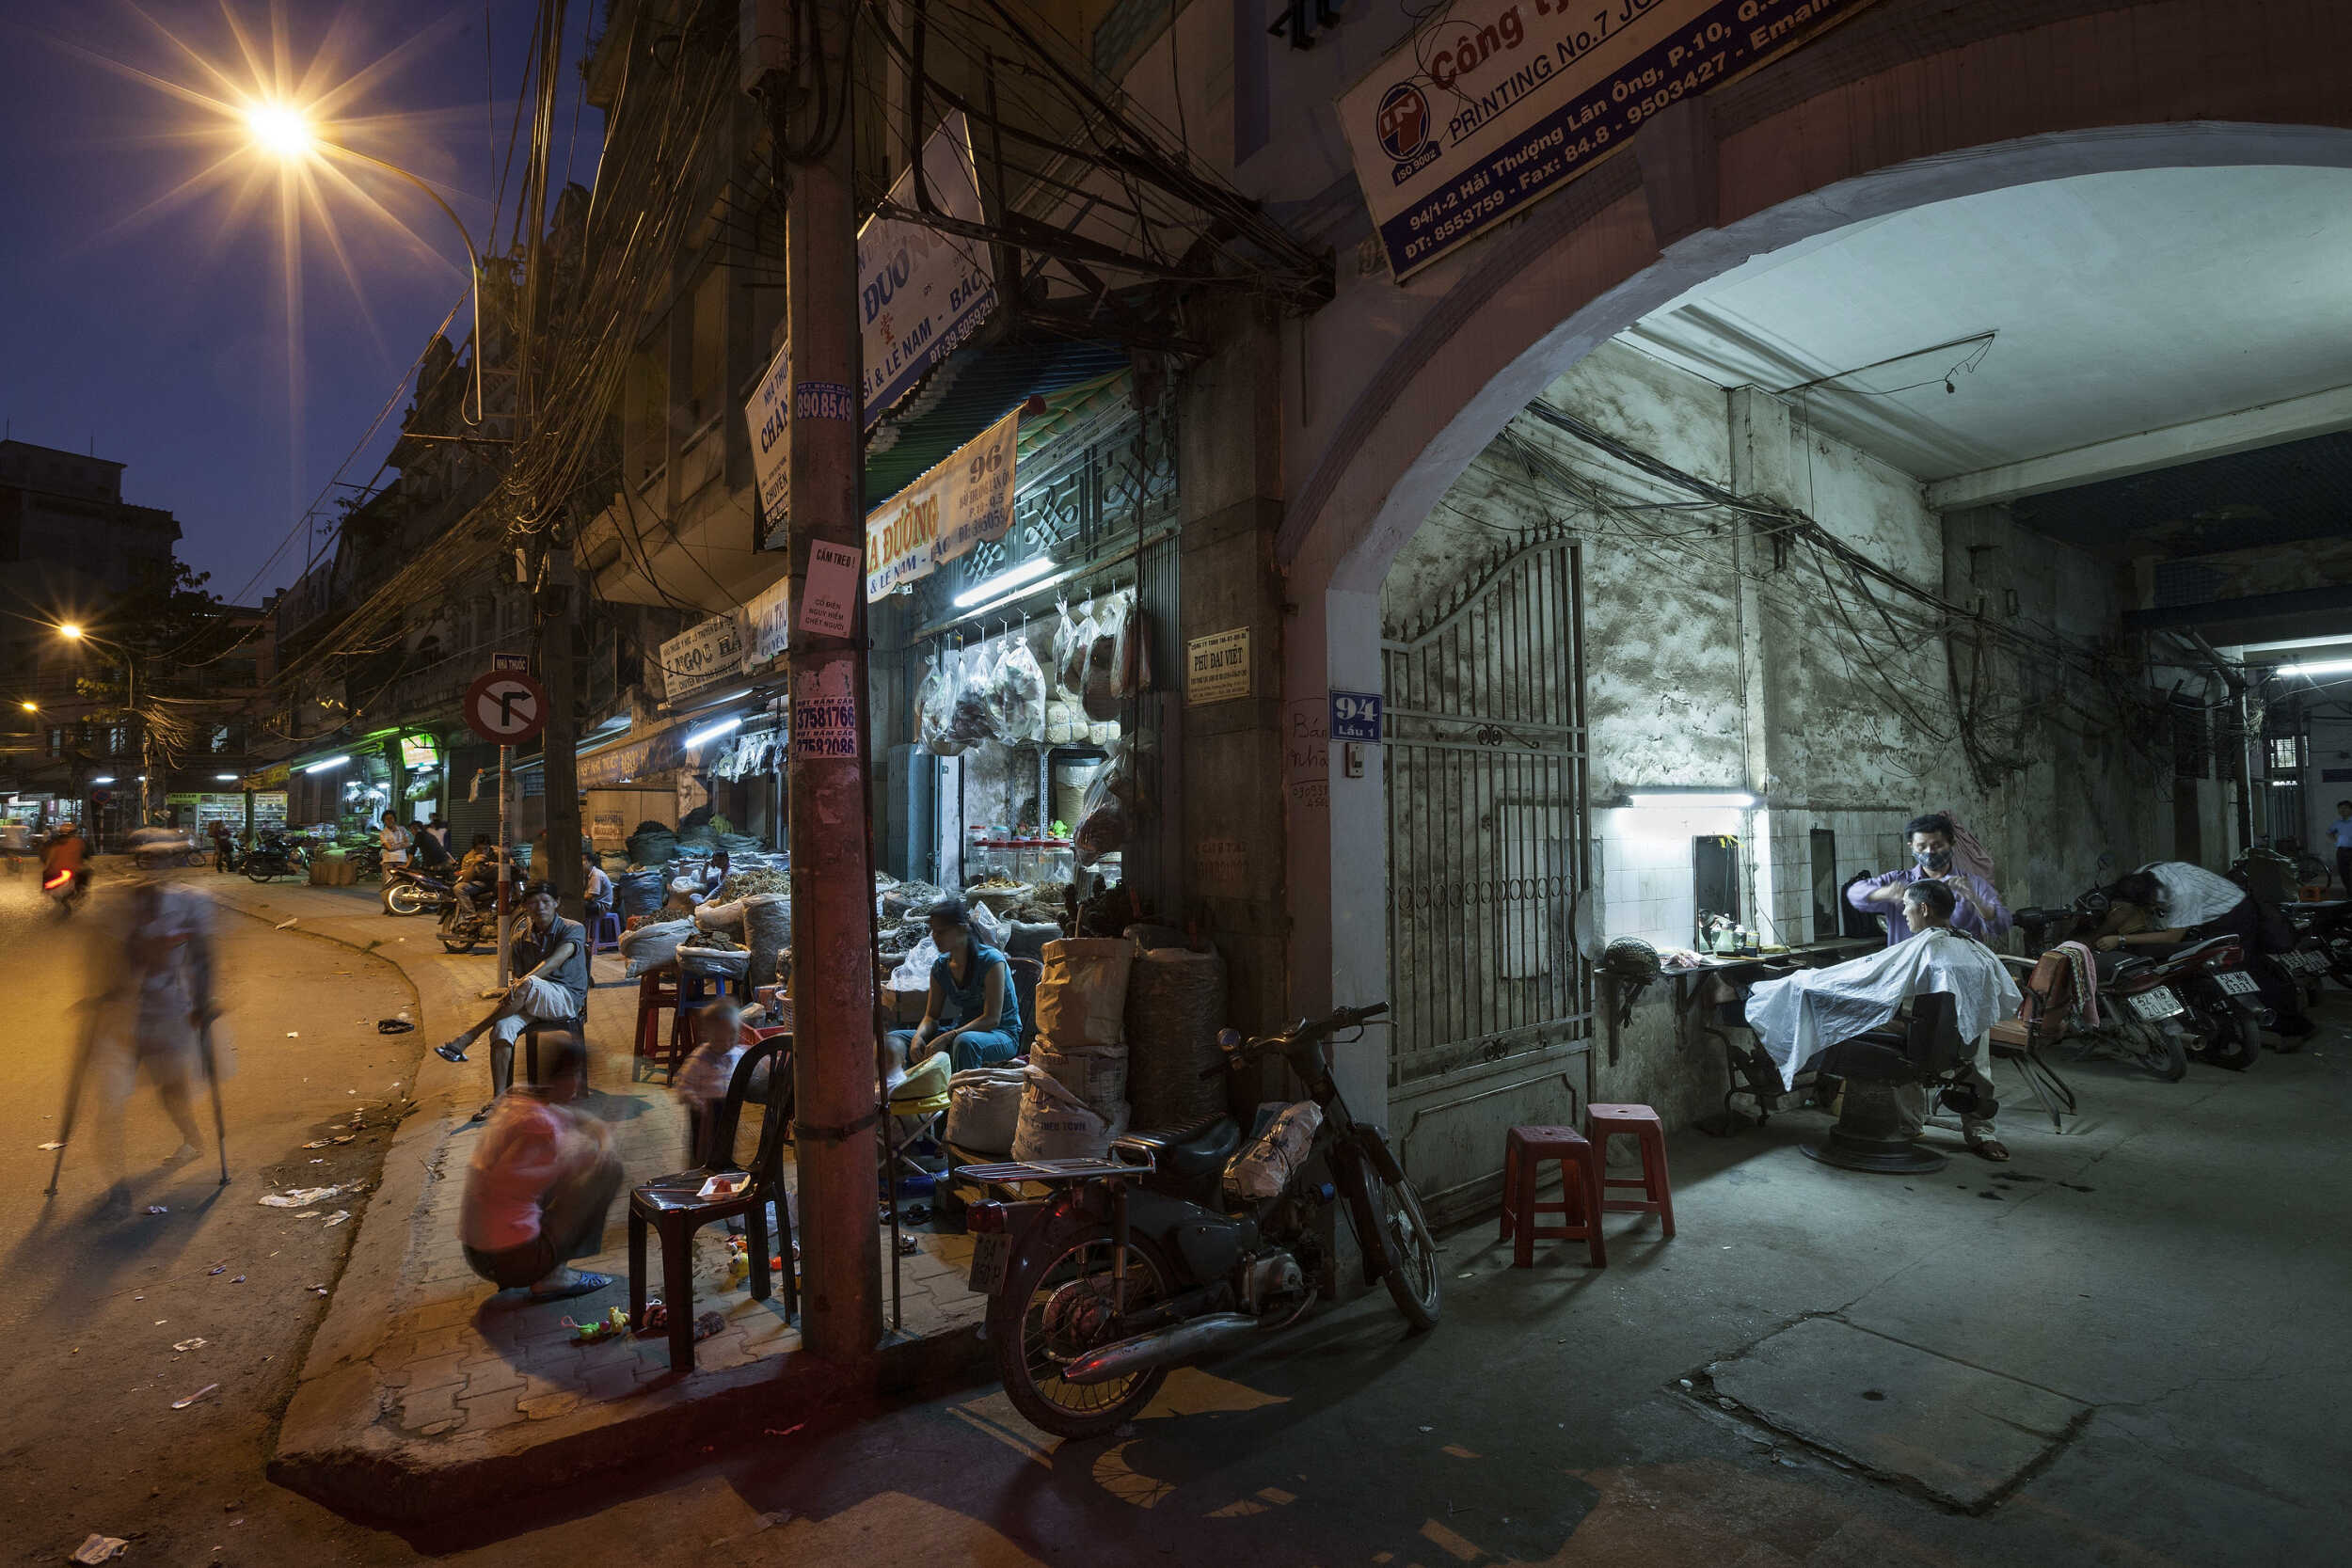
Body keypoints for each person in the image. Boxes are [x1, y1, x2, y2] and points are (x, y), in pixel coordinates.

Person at [1744, 879, 2021, 1161]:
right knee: (1936, 1032)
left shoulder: (1928, 950)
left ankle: (1771, 1068)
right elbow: (1996, 998)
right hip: (1957, 1036)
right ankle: (1947, 1129)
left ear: (1923, 909)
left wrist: (1816, 981)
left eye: (1906, 907)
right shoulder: (1972, 947)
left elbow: (1874, 983)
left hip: (1934, 1030)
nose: (1903, 913)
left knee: (1827, 1014)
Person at [83, 877, 223, 1203]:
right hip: (127, 1018)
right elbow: (109, 969)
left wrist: (205, 1002)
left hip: (166, 1014)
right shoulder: (119, 920)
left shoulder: (182, 917)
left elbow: (202, 961)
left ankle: (192, 1139)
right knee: (113, 1094)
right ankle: (116, 1181)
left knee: (170, 1087)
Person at [457, 1035, 621, 1303]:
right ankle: (552, 1276)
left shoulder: (516, 1098)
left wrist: (602, 1137)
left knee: (570, 1174)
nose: (580, 1085)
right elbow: (585, 1161)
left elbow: (585, 1121)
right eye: (576, 1075)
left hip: (478, 1251)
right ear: (562, 1077)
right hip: (508, 1258)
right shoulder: (543, 1128)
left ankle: (540, 1262)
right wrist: (603, 1149)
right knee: (606, 1173)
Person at [2095, 861, 2311, 1037]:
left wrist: (2121, 939)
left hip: (2233, 914)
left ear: (2150, 899)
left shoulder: (2182, 894)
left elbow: (2172, 937)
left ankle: (2292, 1026)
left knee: (2241, 970)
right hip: (2208, 913)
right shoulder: (2143, 874)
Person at [434, 882, 592, 1115]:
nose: (540, 907)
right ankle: (498, 1098)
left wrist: (522, 983)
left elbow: (556, 960)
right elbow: (519, 980)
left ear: (556, 903)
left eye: (546, 901)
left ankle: (468, 1036)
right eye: (534, 902)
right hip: (532, 997)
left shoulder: (572, 928)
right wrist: (520, 985)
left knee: (527, 984)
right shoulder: (519, 939)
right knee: (501, 1028)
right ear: (526, 906)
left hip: (565, 998)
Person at [887, 897, 1023, 1073]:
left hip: (1002, 1035)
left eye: (941, 932)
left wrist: (949, 1036)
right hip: (962, 1031)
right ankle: (909, 1095)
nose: (935, 937)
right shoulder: (941, 966)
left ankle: (961, 1098)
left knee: (965, 1042)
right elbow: (931, 1017)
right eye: (933, 932)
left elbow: (992, 1019)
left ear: (961, 929)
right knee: (895, 1039)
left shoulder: (992, 960)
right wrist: (918, 1037)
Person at [1848, 812, 2011, 945]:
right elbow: (1854, 894)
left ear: (1952, 843)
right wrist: (1885, 893)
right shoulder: (1898, 879)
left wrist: (1976, 900)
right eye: (1922, 846)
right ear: (1911, 846)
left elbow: (2002, 925)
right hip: (1910, 969)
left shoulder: (1972, 884)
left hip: (1958, 969)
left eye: (1937, 845)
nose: (1929, 852)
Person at [674, 998, 750, 1166]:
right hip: (705, 1113)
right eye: (721, 1040)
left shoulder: (737, 1053)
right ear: (708, 1035)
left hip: (727, 1110)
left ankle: (724, 1173)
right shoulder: (699, 1059)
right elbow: (683, 1083)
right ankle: (698, 1176)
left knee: (726, 1146)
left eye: (732, 1037)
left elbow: (751, 1065)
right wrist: (692, 1098)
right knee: (702, 1153)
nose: (728, 1044)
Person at [42, 821, 88, 900]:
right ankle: (81, 892)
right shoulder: (79, 842)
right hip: (72, 871)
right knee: (87, 871)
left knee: (45, 874)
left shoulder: (54, 843)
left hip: (54, 872)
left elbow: (46, 857)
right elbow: (86, 856)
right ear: (74, 832)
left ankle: (44, 890)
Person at [2329, 801, 2352, 895]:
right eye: (2340, 808)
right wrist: (2336, 841)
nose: (2343, 810)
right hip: (2342, 851)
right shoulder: (2338, 823)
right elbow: (2330, 832)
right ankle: (2349, 892)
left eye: (2345, 808)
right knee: (2344, 873)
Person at [582, 857, 614, 923]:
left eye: (583, 860)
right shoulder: (588, 875)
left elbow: (590, 896)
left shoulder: (596, 875)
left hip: (602, 906)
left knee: (577, 906)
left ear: (590, 862)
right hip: (596, 903)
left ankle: (582, 930)